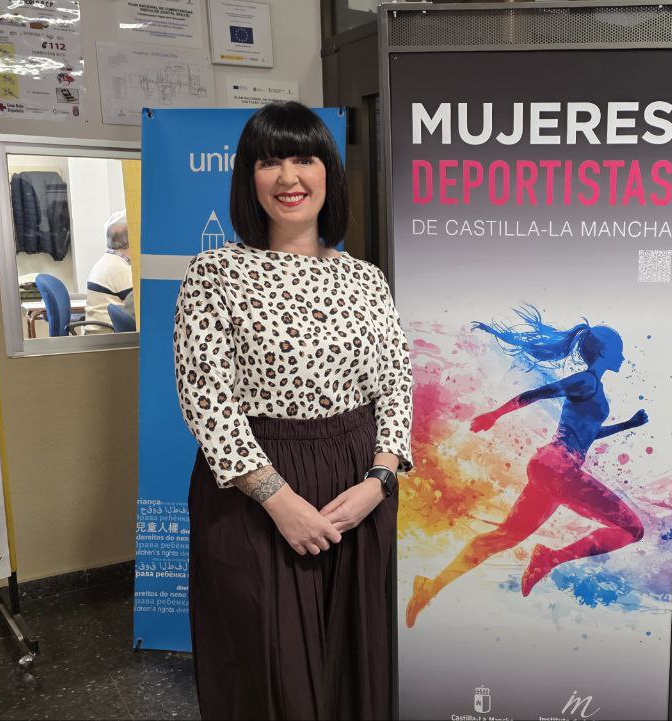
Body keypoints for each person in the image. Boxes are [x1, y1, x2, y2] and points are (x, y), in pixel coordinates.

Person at [173, 101, 412, 720]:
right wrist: (280, 502)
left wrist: (379, 482)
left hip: (356, 486)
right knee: (270, 668)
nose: (288, 178)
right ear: (248, 178)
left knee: (355, 662)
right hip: (256, 492)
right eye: (269, 162)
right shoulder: (215, 273)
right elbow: (207, 402)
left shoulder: (367, 280)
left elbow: (396, 386)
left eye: (303, 159)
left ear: (328, 172)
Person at [405, 307, 647, 628]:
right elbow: (536, 394)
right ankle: (550, 557)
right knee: (632, 529)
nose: (623, 357)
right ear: (603, 352)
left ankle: (430, 587)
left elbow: (586, 434)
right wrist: (494, 415)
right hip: (560, 470)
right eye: (618, 351)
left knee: (504, 537)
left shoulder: (592, 386)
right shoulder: (586, 381)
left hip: (550, 470)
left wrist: (627, 425)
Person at [83, 212, 133, 333]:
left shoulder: (107, 260)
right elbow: (138, 308)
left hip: (98, 333)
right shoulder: (120, 269)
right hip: (107, 336)